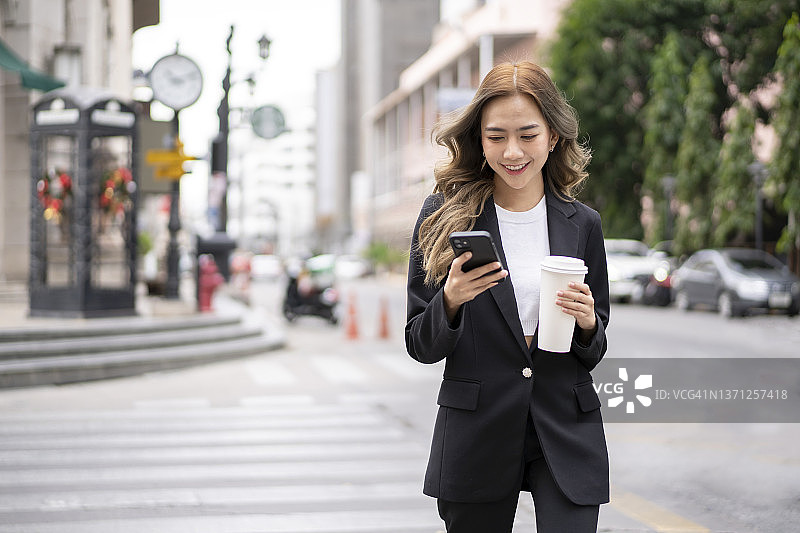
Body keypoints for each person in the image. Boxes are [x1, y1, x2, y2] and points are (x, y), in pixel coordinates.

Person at [405, 61, 610, 532]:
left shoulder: (583, 225)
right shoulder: (444, 216)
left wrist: (587, 323)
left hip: (563, 425)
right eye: (496, 136)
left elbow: (596, 347)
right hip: (477, 430)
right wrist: (451, 300)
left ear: (553, 136)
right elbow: (420, 342)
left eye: (528, 135)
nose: (512, 151)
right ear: (479, 138)